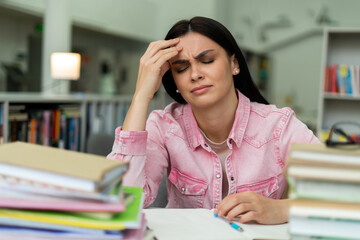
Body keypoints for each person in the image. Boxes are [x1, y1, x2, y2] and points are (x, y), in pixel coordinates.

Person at [107, 16, 320, 225]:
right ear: (175, 82)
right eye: (181, 68)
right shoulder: (165, 125)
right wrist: (141, 95)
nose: (195, 74)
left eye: (207, 61)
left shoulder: (278, 125)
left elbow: (345, 193)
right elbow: (120, 203)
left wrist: (280, 209)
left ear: (234, 63)